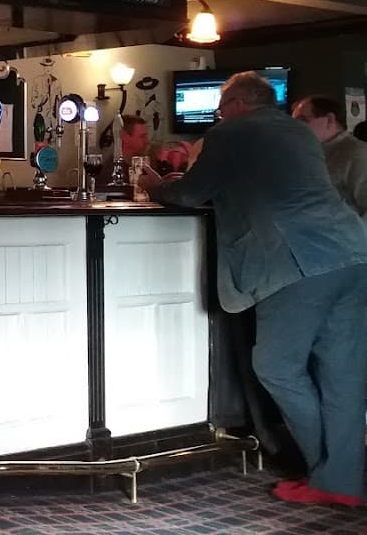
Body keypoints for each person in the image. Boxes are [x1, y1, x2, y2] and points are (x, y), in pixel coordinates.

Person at [137, 72, 367, 507]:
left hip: (295, 260)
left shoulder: (231, 132)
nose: (219, 115)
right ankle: (343, 482)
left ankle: (326, 473)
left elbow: (191, 192)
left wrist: (155, 185)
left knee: (277, 366)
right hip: (353, 253)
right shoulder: (299, 133)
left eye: (222, 106)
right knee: (343, 375)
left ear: (238, 103)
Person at [291, 95, 367, 220]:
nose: (296, 127)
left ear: (330, 119)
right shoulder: (307, 153)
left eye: (302, 120)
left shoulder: (356, 153)